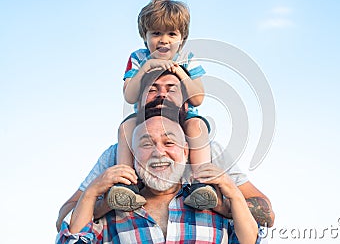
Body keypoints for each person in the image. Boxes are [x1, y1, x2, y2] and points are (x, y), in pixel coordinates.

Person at [56, 69, 275, 231]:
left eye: (172, 89)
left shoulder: (208, 151)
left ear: (187, 105)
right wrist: (103, 201)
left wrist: (222, 204)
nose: (162, 95)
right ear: (138, 104)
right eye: (152, 90)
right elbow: (64, 220)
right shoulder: (115, 156)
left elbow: (267, 214)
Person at [56, 107, 261, 244]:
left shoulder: (213, 206)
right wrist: (92, 192)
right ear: (133, 156)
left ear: (186, 152)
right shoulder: (114, 214)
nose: (158, 152)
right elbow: (73, 239)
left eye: (169, 142)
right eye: (146, 144)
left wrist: (233, 193)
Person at [110, 0, 215, 211]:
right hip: (147, 117)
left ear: (182, 38)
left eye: (171, 34)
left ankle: (201, 184)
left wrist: (180, 73)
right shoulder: (138, 57)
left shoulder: (186, 58)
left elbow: (198, 98)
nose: (164, 40)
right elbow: (130, 96)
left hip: (180, 116)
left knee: (197, 127)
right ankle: (125, 184)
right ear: (145, 36)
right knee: (125, 127)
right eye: (156, 33)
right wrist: (147, 68)